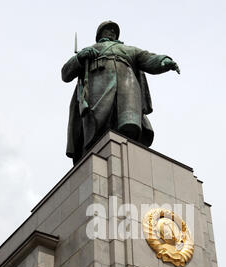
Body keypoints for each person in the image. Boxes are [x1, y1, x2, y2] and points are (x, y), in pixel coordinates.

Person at [62, 21, 180, 165]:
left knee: (128, 124)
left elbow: (149, 58)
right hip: (98, 88)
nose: (111, 32)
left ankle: (127, 155)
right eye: (107, 30)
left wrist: (164, 61)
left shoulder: (129, 50)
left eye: (113, 30)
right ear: (99, 34)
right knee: (95, 129)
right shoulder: (90, 50)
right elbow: (65, 74)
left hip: (126, 86)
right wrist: (80, 57)